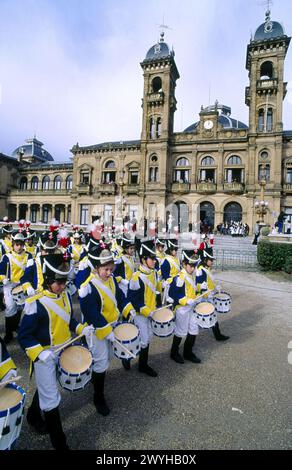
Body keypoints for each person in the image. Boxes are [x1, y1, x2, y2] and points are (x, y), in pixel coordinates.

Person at [18, 253, 93, 449]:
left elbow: (69, 320)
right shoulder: (35, 303)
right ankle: (60, 444)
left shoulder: (66, 296)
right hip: (44, 355)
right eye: (58, 282)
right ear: (48, 280)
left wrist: (81, 328)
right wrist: (39, 353)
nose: (62, 286)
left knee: (48, 386)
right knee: (51, 399)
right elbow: (24, 336)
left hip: (64, 349)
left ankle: (33, 415)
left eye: (64, 282)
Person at [78, 244, 135, 416]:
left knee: (107, 359)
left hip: (112, 327)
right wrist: (105, 330)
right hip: (98, 331)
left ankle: (97, 382)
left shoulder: (111, 280)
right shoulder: (88, 286)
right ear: (96, 268)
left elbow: (119, 297)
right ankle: (98, 397)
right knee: (101, 362)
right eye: (106, 269)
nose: (110, 273)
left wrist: (128, 308)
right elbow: (91, 312)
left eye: (111, 269)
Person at [128, 239, 162, 377]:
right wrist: (148, 312)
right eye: (152, 258)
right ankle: (141, 365)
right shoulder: (136, 277)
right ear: (143, 259)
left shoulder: (153, 273)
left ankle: (138, 361)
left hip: (151, 311)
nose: (154, 261)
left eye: (154, 258)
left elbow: (155, 291)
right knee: (144, 339)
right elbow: (134, 300)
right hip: (141, 314)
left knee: (148, 337)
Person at [168, 250, 201, 364]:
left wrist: (197, 296)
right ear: (184, 264)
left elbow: (192, 289)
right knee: (180, 331)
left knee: (194, 329)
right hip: (182, 309)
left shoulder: (191, 275)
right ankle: (174, 353)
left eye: (194, 266)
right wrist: (186, 301)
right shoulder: (180, 277)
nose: (193, 268)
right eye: (191, 265)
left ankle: (188, 352)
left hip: (192, 307)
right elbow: (173, 295)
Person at [0, 231, 32, 344]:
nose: (19, 247)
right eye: (17, 244)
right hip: (9, 285)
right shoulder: (6, 257)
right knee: (10, 308)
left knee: (19, 308)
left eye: (21, 244)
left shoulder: (29, 256)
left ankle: (15, 327)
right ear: (13, 244)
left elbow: (31, 271)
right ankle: (8, 333)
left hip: (23, 285)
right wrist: (3, 278)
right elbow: (1, 271)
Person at [196, 248, 230, 341]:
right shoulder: (200, 270)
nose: (212, 262)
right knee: (197, 319)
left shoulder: (207, 269)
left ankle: (218, 335)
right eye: (210, 260)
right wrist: (201, 287)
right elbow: (196, 286)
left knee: (213, 316)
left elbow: (209, 282)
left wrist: (215, 287)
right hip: (202, 299)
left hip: (209, 296)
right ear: (205, 260)